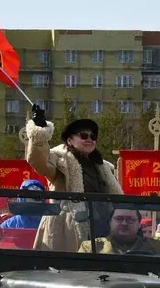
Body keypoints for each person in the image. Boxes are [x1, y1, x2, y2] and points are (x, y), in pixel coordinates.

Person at [24, 107, 123, 252]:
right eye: (83, 135)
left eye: (93, 137)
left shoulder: (104, 167)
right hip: (67, 231)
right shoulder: (60, 160)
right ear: (70, 140)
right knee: (66, 273)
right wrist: (39, 130)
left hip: (102, 230)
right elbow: (39, 161)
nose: (89, 139)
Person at [78, 207, 160, 256]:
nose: (124, 223)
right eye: (119, 219)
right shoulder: (90, 247)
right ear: (110, 222)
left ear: (139, 224)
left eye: (130, 219)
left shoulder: (155, 246)